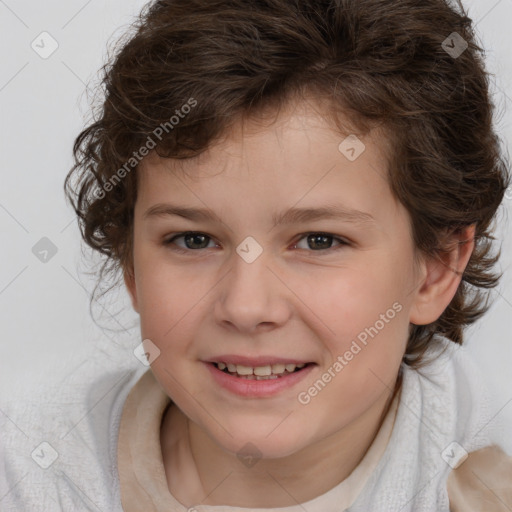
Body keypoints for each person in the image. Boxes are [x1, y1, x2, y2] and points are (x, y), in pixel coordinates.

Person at [1, 0, 511, 510]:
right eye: (193, 240)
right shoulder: (27, 471)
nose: (246, 307)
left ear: (435, 269)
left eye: (319, 240)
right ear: (130, 262)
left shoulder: (492, 480)